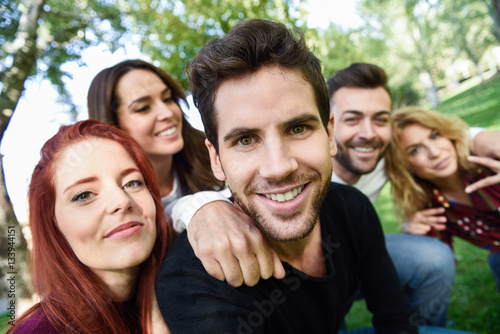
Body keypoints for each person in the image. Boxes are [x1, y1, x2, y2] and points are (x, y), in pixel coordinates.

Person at [154, 18, 462, 333]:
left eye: (298, 128)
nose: (279, 167)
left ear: (330, 135)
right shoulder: (196, 284)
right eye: (245, 139)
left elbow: (396, 320)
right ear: (216, 159)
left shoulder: (351, 208)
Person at [326, 62, 500, 327]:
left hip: (355, 257)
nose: (369, 133)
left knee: (433, 257)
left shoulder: (379, 155)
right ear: (328, 124)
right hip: (299, 277)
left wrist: (481, 137)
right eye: (352, 119)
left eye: (380, 119)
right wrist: (235, 214)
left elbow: (437, 136)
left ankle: (425, 328)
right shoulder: (307, 164)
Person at [87, 59, 285, 287]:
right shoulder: (114, 197)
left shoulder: (212, 149)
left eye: (167, 98)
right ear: (113, 125)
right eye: (143, 107)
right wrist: (194, 207)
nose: (166, 113)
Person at [7, 119, 171, 333]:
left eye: (132, 183)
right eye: (84, 195)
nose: (121, 200)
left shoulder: (183, 289)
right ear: (53, 225)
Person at [385, 106, 500, 292]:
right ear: (404, 166)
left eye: (435, 136)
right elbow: (436, 265)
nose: (435, 152)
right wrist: (412, 237)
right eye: (415, 150)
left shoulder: (487, 162)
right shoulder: (431, 208)